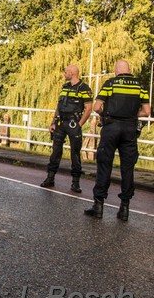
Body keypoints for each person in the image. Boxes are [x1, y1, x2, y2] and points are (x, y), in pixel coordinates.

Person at [85, 60, 150, 221]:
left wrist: (106, 114)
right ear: (129, 70)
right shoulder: (140, 85)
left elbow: (97, 107)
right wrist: (133, 115)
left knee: (104, 164)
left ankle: (98, 206)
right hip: (130, 129)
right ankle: (124, 209)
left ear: (116, 71)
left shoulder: (110, 83)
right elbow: (147, 111)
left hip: (111, 127)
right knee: (128, 168)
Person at [40, 64, 93, 192]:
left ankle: (75, 183)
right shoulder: (65, 87)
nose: (64, 74)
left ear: (72, 73)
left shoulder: (84, 88)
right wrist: (53, 122)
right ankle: (50, 178)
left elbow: (88, 108)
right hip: (61, 123)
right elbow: (59, 106)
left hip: (74, 123)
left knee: (75, 153)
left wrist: (79, 124)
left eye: (66, 72)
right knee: (56, 151)